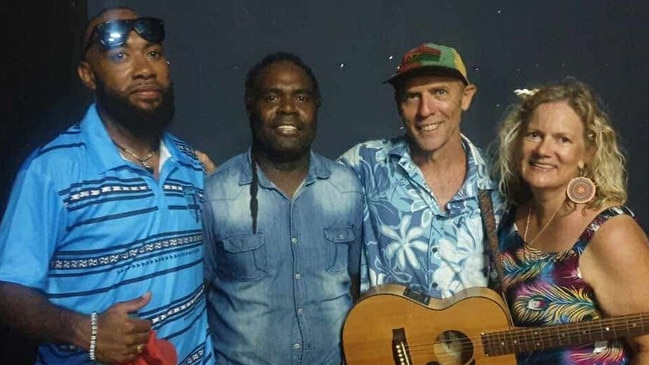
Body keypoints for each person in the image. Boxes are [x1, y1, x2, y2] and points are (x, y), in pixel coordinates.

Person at [0, 7, 214, 364]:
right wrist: (82, 329)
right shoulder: (52, 170)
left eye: (153, 53)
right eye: (120, 56)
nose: (145, 68)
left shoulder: (193, 166)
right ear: (88, 75)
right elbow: (8, 289)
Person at [202, 52, 364, 364]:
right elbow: (196, 297)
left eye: (301, 97)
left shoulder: (347, 187)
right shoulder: (216, 193)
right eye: (272, 96)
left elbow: (356, 286)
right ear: (251, 106)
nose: (288, 108)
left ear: (316, 107)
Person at [493, 79, 649, 364]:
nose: (543, 150)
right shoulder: (507, 223)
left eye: (562, 139)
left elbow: (648, 346)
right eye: (534, 134)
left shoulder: (610, 232)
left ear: (586, 154)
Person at [338, 42, 504, 298]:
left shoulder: (498, 178)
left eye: (439, 92)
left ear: (466, 97)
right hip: (385, 336)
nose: (425, 110)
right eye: (412, 96)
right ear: (398, 104)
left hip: (470, 336)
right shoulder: (363, 165)